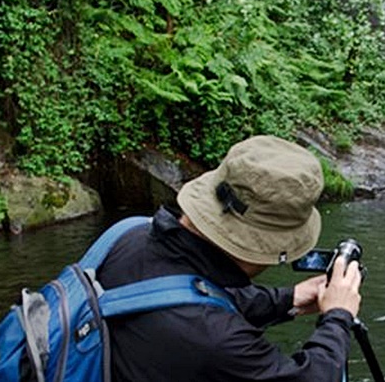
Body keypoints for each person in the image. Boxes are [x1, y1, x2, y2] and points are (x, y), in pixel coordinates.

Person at [97, 135, 363, 381]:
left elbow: (185, 294)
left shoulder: (128, 234)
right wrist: (338, 316)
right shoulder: (216, 341)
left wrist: (288, 299)